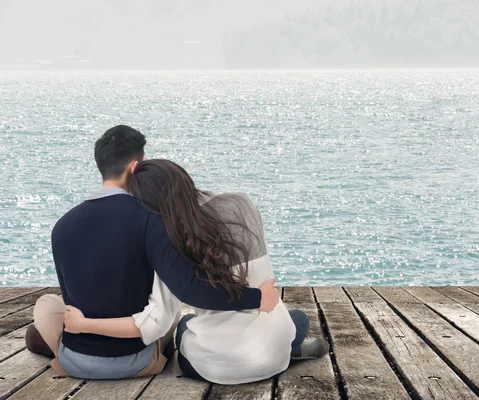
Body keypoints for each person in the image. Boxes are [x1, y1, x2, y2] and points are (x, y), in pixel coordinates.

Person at [26, 126, 280, 379]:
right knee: (173, 318)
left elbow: (71, 297)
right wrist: (257, 298)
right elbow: (186, 291)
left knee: (47, 305)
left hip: (75, 360)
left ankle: (55, 346)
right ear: (136, 167)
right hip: (136, 361)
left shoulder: (61, 225)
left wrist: (83, 324)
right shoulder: (153, 221)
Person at [62, 159, 329, 384]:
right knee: (295, 319)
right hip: (272, 352)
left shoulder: (169, 237)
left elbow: (183, 299)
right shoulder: (241, 204)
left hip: (218, 368)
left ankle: (276, 347)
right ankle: (287, 347)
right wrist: (258, 299)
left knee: (184, 326)